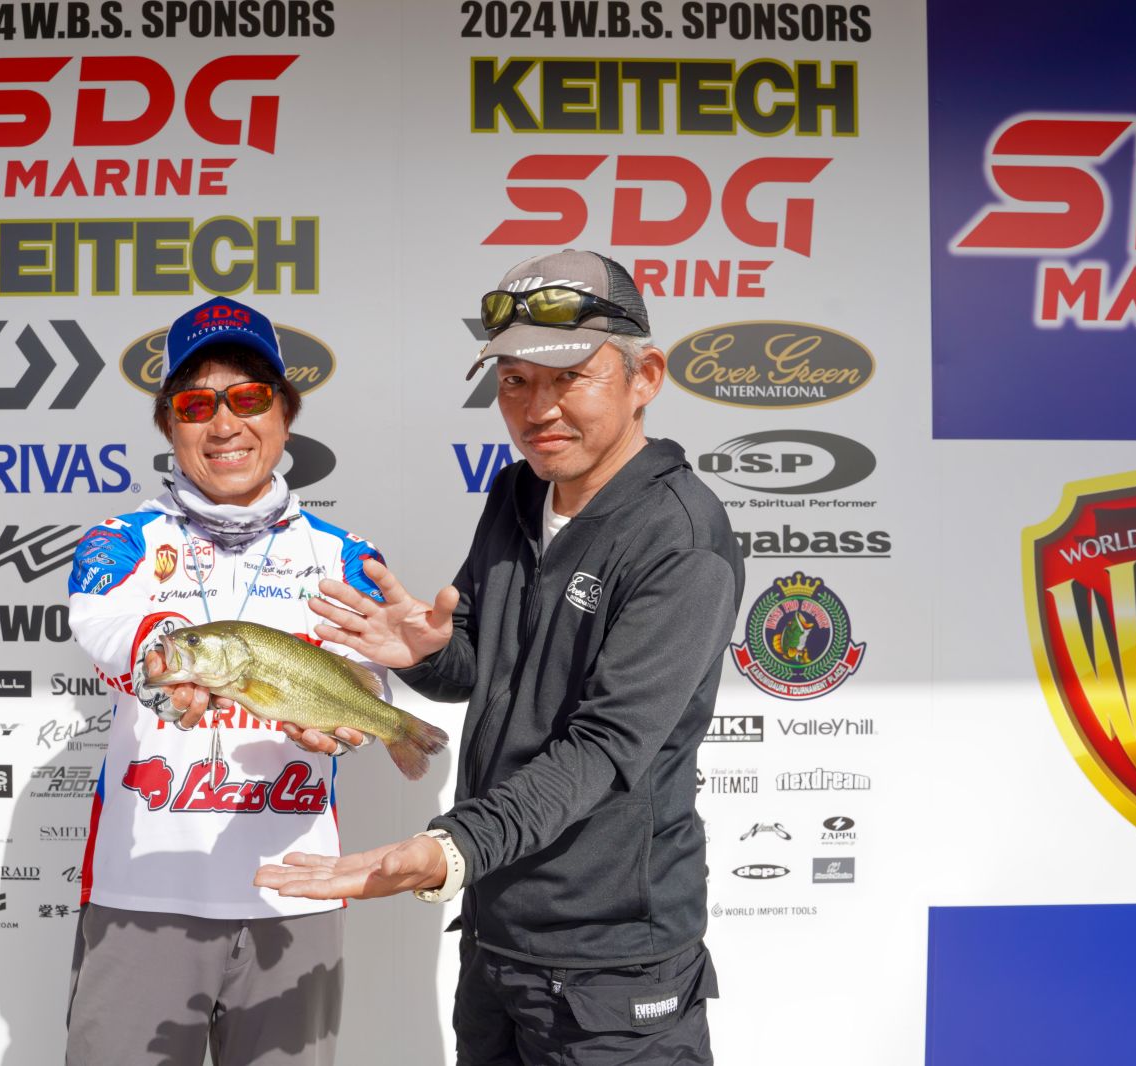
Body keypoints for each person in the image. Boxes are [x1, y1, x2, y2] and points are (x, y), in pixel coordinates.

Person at [256, 250, 745, 1064]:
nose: (537, 408)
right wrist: (426, 654)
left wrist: (450, 849)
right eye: (514, 380)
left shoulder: (680, 540)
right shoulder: (516, 492)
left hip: (612, 971)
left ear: (645, 377)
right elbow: (482, 671)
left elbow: (605, 747)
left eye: (570, 377)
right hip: (496, 937)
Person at [64, 296, 383, 1066]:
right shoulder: (121, 542)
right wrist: (161, 652)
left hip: (295, 893)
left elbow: (366, 687)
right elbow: (104, 631)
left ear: (285, 413)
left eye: (249, 397)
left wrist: (347, 728)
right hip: (144, 896)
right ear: (170, 425)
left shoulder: (345, 554)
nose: (225, 424)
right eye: (196, 405)